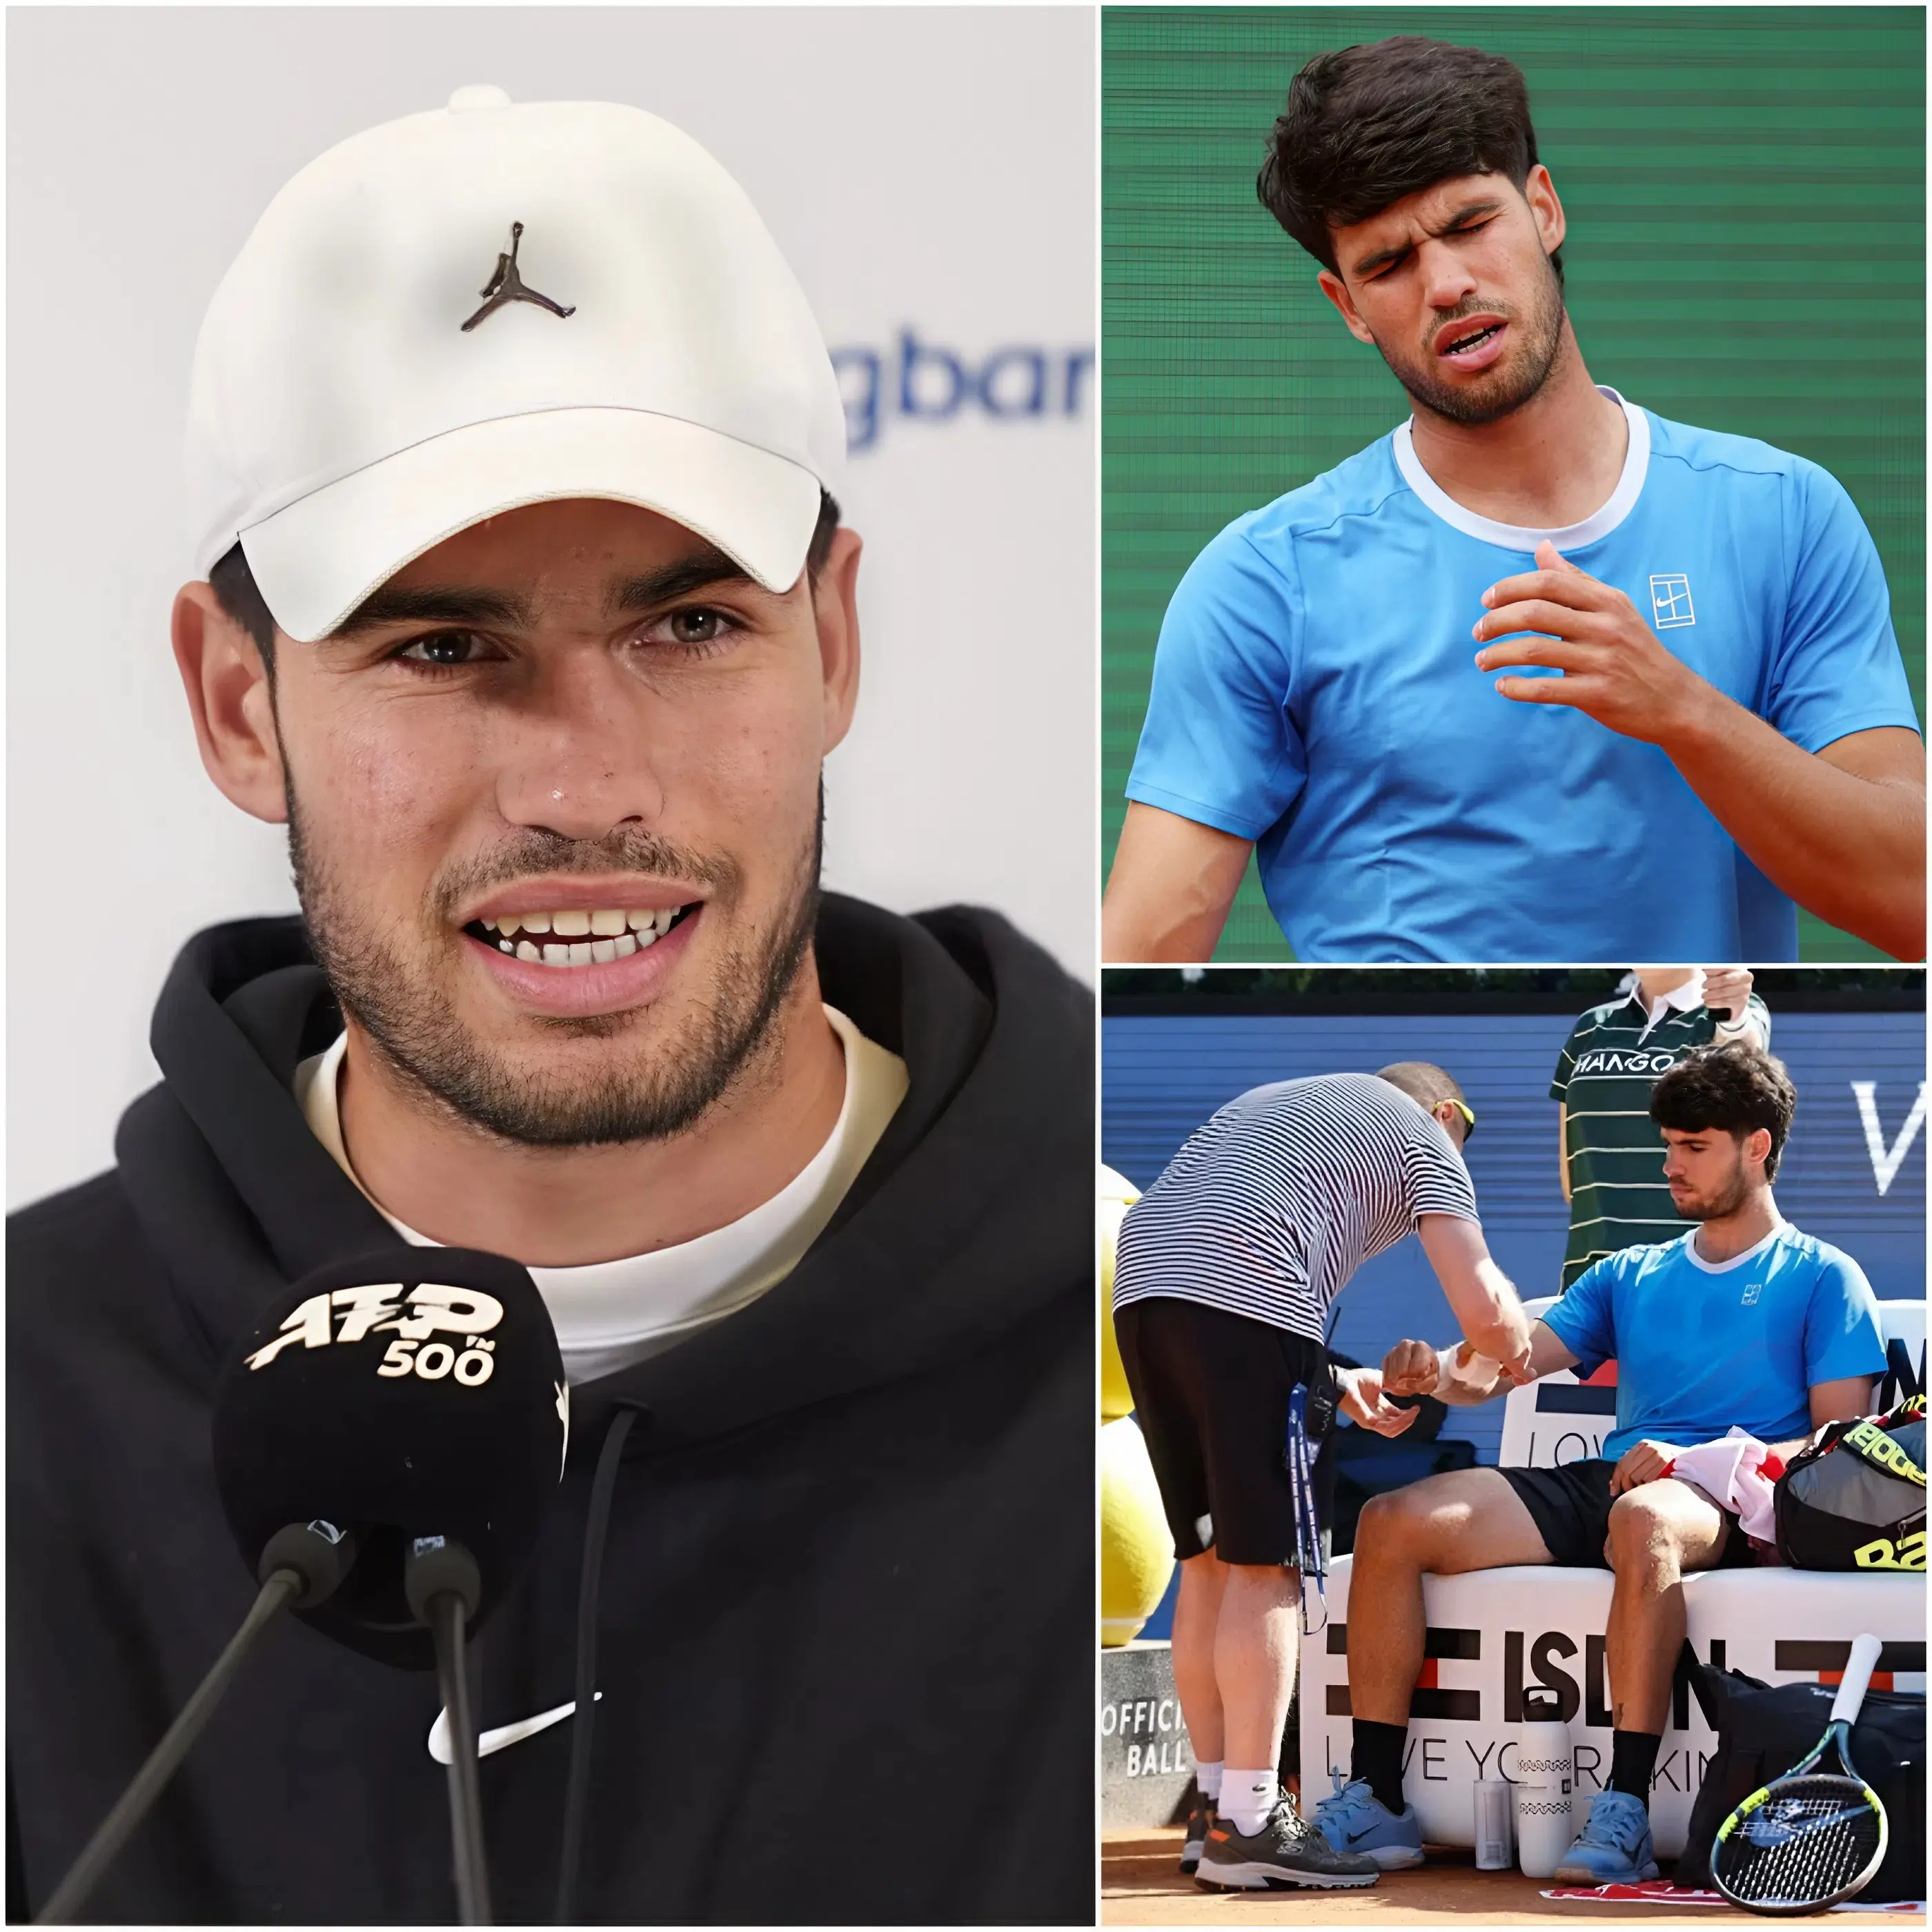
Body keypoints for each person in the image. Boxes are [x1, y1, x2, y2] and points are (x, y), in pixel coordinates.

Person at [6, 92, 1092, 1925]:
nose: (587, 788)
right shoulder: (22, 1407)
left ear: (834, 636)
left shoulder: (1161, 1349)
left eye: (687, 628)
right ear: (236, 703)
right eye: (443, 649)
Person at [1103, 34, 1924, 965]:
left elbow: (1914, 900)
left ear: (1544, 209)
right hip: (1401, 1112)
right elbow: (1136, 967)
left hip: (1697, 1101)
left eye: (1468, 225)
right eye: (1388, 265)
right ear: (1347, 308)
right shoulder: (1262, 583)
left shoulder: (1785, 516)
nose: (1447, 284)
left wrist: (1683, 711)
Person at [1323, 1044, 1884, 1882]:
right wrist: (1433, 1372)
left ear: (1756, 1146)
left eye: (1693, 1146)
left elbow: (1840, 1445)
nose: (1671, 1166)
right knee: (1392, 1520)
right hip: (1614, 1477)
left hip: (1724, 1491)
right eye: (1668, 1145)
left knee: (1645, 1516)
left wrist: (1699, 1455)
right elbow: (1500, 1366)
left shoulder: (1824, 1275)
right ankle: (1375, 1800)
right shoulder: (1631, 1270)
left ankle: (1620, 1806)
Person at [1111, 1064, 1534, 1891]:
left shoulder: (1290, 1104)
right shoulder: (1426, 1136)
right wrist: (1510, 1340)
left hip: (1141, 1291)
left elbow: (1225, 1277)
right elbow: (1487, 1314)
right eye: (1463, 1143)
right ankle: (1255, 1821)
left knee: (1204, 1563)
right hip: (1243, 1294)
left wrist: (1336, 1381)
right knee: (1264, 1565)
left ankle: (1214, 1812)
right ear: (1445, 1112)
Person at [1555, 965, 1768, 1288]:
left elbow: (1744, 1056)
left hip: (1693, 1272)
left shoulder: (1736, 1007)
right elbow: (1573, 1177)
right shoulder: (1589, 1027)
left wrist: (1733, 1016)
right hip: (1592, 1274)